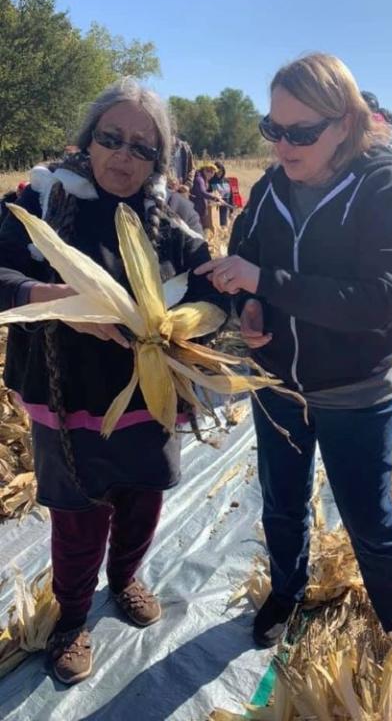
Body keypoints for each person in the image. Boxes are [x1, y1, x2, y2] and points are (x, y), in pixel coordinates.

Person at [195, 53, 392, 663]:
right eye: (273, 128)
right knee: (280, 503)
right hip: (276, 383)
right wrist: (251, 308)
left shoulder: (386, 188)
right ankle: (286, 592)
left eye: (301, 132)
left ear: (347, 122)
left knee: (370, 523)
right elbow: (245, 260)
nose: (283, 145)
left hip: (354, 390)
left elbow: (376, 301)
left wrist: (265, 280)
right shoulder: (272, 187)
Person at [0, 77, 226, 685]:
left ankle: (125, 578)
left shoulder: (173, 214)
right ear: (88, 139)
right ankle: (73, 618)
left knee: (142, 498)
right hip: (66, 395)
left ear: (160, 158)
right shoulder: (44, 198)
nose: (123, 157)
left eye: (142, 148)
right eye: (111, 139)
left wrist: (200, 319)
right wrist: (61, 298)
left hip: (149, 396)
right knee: (77, 514)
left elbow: (208, 285)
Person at [190, 163, 223, 230]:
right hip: (196, 208)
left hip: (200, 208)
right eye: (211, 172)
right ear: (205, 170)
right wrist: (214, 197)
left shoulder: (203, 179)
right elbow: (202, 192)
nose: (212, 175)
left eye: (213, 173)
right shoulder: (199, 179)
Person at [210, 161, 232, 227]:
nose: (219, 173)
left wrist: (231, 210)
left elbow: (231, 196)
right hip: (215, 208)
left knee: (224, 226)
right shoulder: (210, 181)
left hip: (225, 208)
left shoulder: (226, 180)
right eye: (217, 171)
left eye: (221, 171)